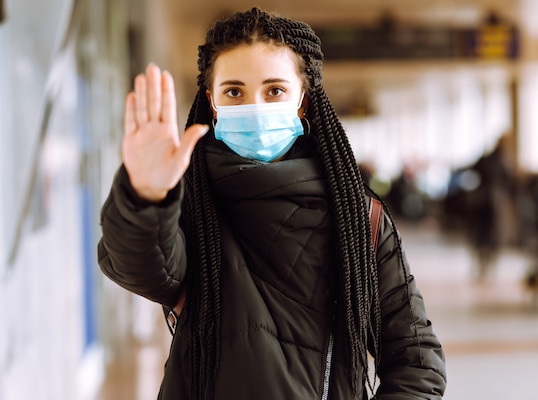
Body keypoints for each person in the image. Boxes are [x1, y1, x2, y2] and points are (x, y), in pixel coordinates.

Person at [97, 7, 446, 400]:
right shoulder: (188, 206)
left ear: (303, 99)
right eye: (234, 91)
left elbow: (417, 363)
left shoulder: (358, 218)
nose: (255, 107)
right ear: (212, 103)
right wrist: (145, 195)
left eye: (274, 90)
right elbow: (139, 267)